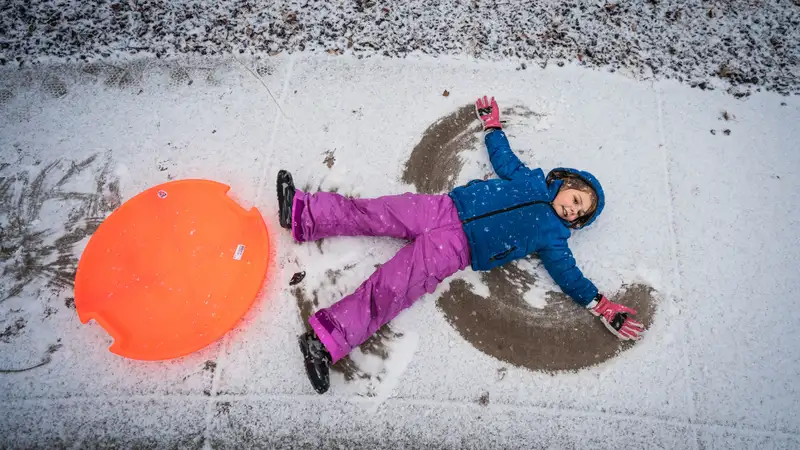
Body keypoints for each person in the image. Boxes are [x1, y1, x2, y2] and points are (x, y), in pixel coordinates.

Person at [277, 96, 644, 394]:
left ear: (575, 223)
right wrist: (493, 126)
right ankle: (303, 212)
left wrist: (601, 305)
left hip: (455, 249)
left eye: (578, 212)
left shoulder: (554, 238)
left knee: (391, 288)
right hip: (443, 208)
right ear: (565, 182)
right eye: (575, 197)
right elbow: (505, 158)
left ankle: (325, 343)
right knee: (377, 211)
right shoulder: (529, 179)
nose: (571, 206)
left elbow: (569, 276)